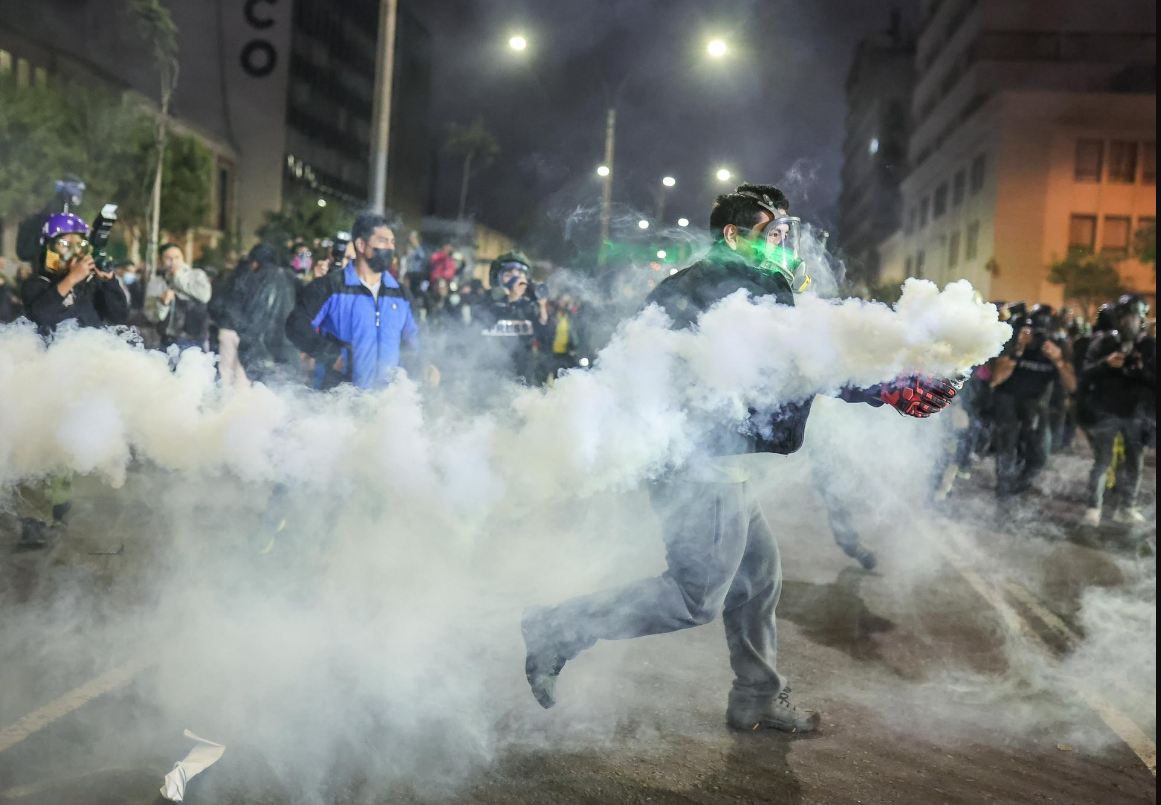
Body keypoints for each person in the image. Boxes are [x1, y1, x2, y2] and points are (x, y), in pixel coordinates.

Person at [520, 184, 958, 734]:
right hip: (701, 464)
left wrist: (884, 374)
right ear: (734, 235)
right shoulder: (728, 289)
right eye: (773, 233)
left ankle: (756, 695)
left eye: (784, 233)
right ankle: (557, 628)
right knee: (694, 598)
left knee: (757, 580)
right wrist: (885, 387)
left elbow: (804, 355)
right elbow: (801, 362)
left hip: (718, 460)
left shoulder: (736, 284)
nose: (784, 242)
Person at [14, 211, 130, 549]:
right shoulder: (38, 283)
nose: (73, 250)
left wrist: (107, 281)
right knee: (38, 453)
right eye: (65, 244)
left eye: (79, 244)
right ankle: (34, 522)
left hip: (82, 379)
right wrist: (72, 279)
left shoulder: (90, 284)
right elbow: (41, 313)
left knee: (65, 455)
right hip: (46, 379)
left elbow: (119, 314)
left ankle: (59, 513)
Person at [286, 211, 423, 390]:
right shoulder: (330, 287)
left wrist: (424, 365)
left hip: (386, 404)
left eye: (392, 242)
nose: (390, 247)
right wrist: (330, 354)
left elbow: (416, 339)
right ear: (361, 244)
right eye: (383, 241)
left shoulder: (400, 294)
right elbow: (296, 325)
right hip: (338, 400)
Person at [1077, 294, 1155, 526]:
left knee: (1134, 463)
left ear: (1142, 319)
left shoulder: (1149, 346)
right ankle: (1093, 508)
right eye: (1125, 316)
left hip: (1137, 415)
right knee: (1102, 462)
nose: (1129, 322)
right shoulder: (1103, 342)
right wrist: (1106, 364)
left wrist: (1139, 369)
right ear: (1117, 318)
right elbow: (1086, 373)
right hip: (1107, 411)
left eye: (1135, 316)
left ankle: (1127, 506)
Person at [988, 307, 1076, 497]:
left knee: (1040, 455)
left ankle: (1019, 486)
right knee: (1007, 449)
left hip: (1036, 404)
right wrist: (1018, 350)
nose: (1040, 337)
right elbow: (996, 378)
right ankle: (1004, 494)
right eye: (1037, 331)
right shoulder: (1015, 339)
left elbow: (1072, 385)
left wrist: (1058, 360)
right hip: (1008, 399)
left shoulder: (1058, 345)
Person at [476, 251, 550, 384]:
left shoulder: (529, 306)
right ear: (497, 278)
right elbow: (478, 328)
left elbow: (545, 333)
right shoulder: (487, 302)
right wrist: (510, 298)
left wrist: (542, 306)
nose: (516, 279)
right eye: (508, 275)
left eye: (521, 275)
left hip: (523, 373)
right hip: (492, 372)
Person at [146, 243, 212, 351]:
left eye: (177, 257)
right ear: (161, 260)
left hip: (195, 339)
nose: (173, 261)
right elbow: (151, 316)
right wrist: (163, 303)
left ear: (183, 258)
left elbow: (205, 296)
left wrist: (177, 277)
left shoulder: (196, 275)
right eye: (168, 258)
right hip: (168, 340)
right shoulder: (156, 283)